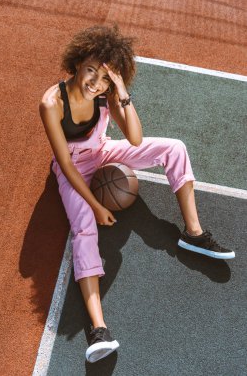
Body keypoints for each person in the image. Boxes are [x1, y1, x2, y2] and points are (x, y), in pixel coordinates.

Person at [39, 25, 235, 363]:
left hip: (103, 152)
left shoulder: (106, 94)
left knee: (174, 148)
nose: (94, 83)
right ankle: (99, 329)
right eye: (91, 71)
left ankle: (194, 233)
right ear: (77, 61)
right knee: (85, 227)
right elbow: (66, 167)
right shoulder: (51, 102)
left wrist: (121, 91)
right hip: (73, 167)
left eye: (104, 78)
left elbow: (133, 137)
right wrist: (97, 204)